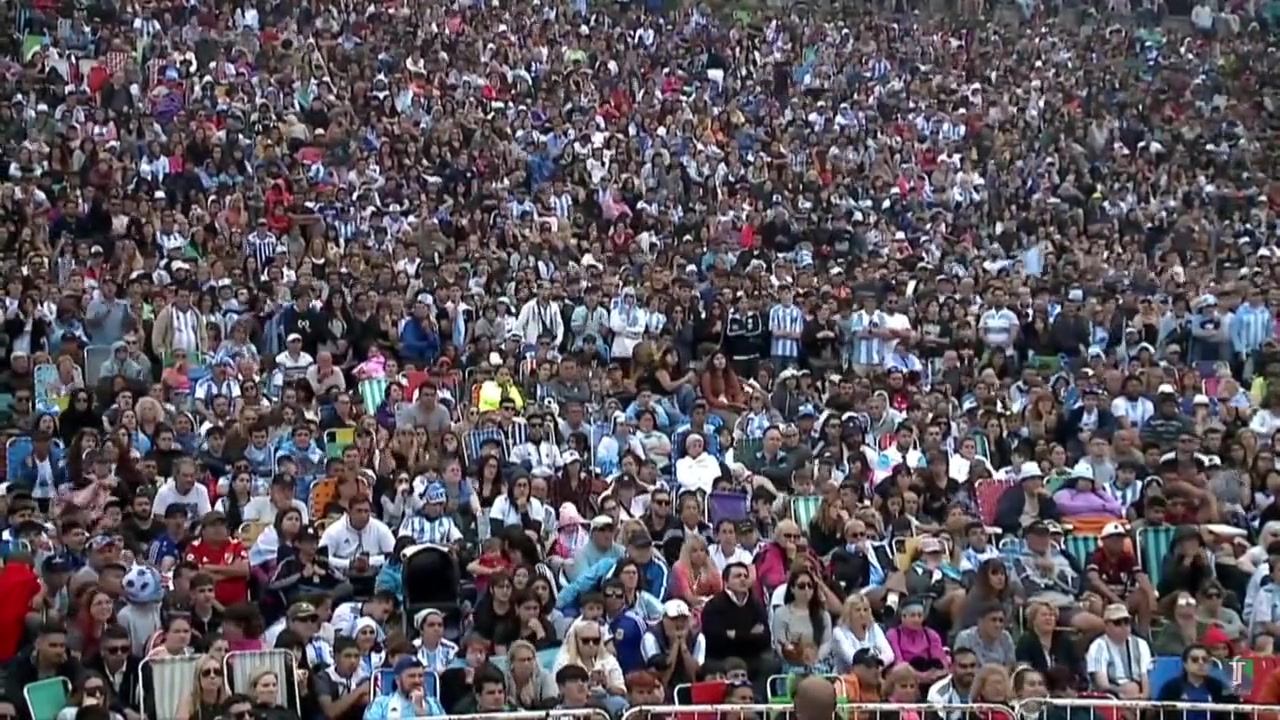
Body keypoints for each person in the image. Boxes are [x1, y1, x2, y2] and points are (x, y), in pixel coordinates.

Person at [1085, 603, 1152, 699]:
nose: (1124, 626)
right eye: (1118, 623)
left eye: (1126, 621)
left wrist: (1142, 697)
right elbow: (1102, 685)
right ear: (1106, 625)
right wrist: (1124, 693)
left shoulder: (1141, 644)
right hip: (1110, 698)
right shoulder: (1098, 646)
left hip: (1138, 696)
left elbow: (1146, 679)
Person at [362, 657, 445, 720]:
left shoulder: (433, 704)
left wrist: (421, 711)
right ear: (397, 680)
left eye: (420, 676)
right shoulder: (380, 704)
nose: (417, 680)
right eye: (411, 676)